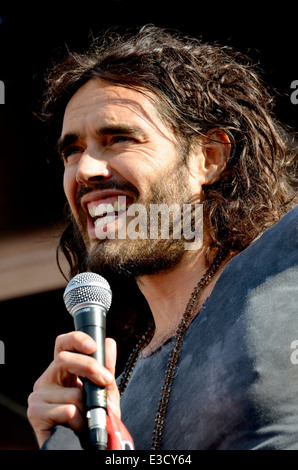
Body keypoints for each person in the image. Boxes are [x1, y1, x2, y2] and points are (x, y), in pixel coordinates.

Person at [27, 25, 298, 450]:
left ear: (209, 157)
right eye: (72, 151)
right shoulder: (90, 413)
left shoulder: (287, 258)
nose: (85, 171)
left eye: (118, 138)